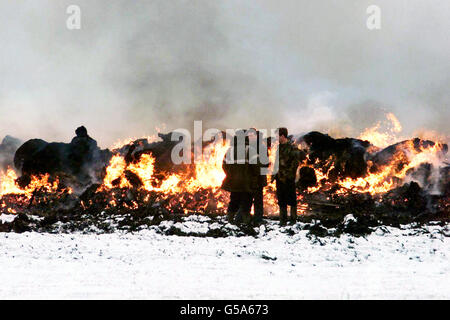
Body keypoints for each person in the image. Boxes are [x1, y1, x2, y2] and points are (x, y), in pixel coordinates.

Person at [221, 129, 254, 225]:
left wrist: (230, 175)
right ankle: (244, 221)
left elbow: (224, 165)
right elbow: (255, 166)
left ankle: (230, 220)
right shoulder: (249, 150)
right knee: (246, 201)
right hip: (246, 181)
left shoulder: (230, 150)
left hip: (233, 182)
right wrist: (252, 176)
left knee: (234, 201)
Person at [273, 127, 304, 225]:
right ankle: (283, 220)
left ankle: (293, 219)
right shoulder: (279, 147)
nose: (276, 138)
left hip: (288, 178)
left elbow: (294, 164)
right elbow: (276, 162)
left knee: (291, 198)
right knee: (281, 199)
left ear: (282, 136)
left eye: (277, 136)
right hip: (279, 177)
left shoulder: (292, 148)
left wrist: (287, 175)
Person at [246, 128, 269, 225]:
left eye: (252, 135)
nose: (250, 137)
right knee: (247, 199)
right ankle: (245, 217)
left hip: (259, 178)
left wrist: (257, 169)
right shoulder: (245, 148)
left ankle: (258, 219)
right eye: (249, 136)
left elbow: (265, 163)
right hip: (248, 178)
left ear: (256, 136)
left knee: (258, 200)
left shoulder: (262, 148)